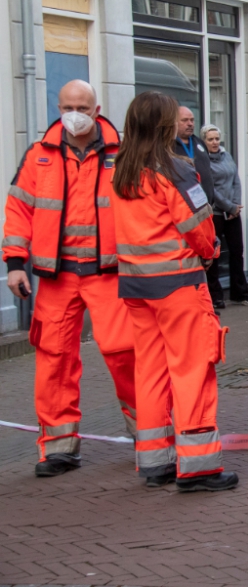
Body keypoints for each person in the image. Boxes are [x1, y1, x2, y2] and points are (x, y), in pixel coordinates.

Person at [1, 80, 137, 477]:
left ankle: (150, 436)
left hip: (108, 272)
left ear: (97, 110)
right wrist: (14, 263)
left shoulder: (123, 152)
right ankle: (58, 448)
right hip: (57, 275)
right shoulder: (39, 155)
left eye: (81, 105)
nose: (73, 113)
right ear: (58, 108)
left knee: (124, 352)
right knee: (54, 359)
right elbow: (18, 209)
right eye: (66, 106)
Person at [111, 91, 237, 492]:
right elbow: (199, 229)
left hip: (136, 287)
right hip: (178, 287)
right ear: (165, 125)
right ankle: (198, 467)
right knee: (192, 368)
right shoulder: (176, 171)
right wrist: (211, 250)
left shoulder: (121, 171)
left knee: (150, 370)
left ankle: (157, 461)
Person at [202, 125, 248, 309]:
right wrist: (229, 206)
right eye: (210, 139)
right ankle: (215, 297)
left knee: (236, 252)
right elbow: (210, 189)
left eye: (217, 138)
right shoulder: (202, 161)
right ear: (204, 141)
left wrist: (235, 205)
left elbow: (236, 180)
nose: (215, 142)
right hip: (215, 213)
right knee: (214, 255)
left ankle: (240, 293)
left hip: (232, 214)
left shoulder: (227, 156)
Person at [175, 106, 215, 206]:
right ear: (174, 123)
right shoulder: (169, 147)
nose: (190, 124)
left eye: (192, 120)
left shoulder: (200, 143)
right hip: (186, 209)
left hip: (207, 207)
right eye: (184, 120)